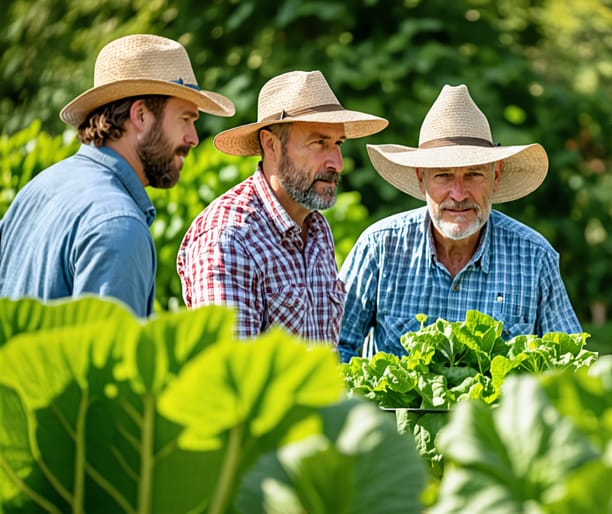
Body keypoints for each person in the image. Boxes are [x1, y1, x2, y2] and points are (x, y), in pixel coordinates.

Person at [338, 84, 582, 362]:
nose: (458, 194)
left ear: (496, 175)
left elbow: (569, 362)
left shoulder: (534, 257)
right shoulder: (380, 247)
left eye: (473, 175)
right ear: (421, 178)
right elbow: (335, 347)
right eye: (442, 175)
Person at [0, 34, 234, 317]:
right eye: (185, 119)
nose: (194, 138)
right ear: (141, 116)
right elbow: (108, 359)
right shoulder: (119, 225)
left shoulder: (35, 191)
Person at [177, 70, 387, 343]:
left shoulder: (316, 227)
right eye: (319, 143)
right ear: (271, 144)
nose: (337, 162)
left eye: (337, 144)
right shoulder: (229, 238)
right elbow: (231, 374)